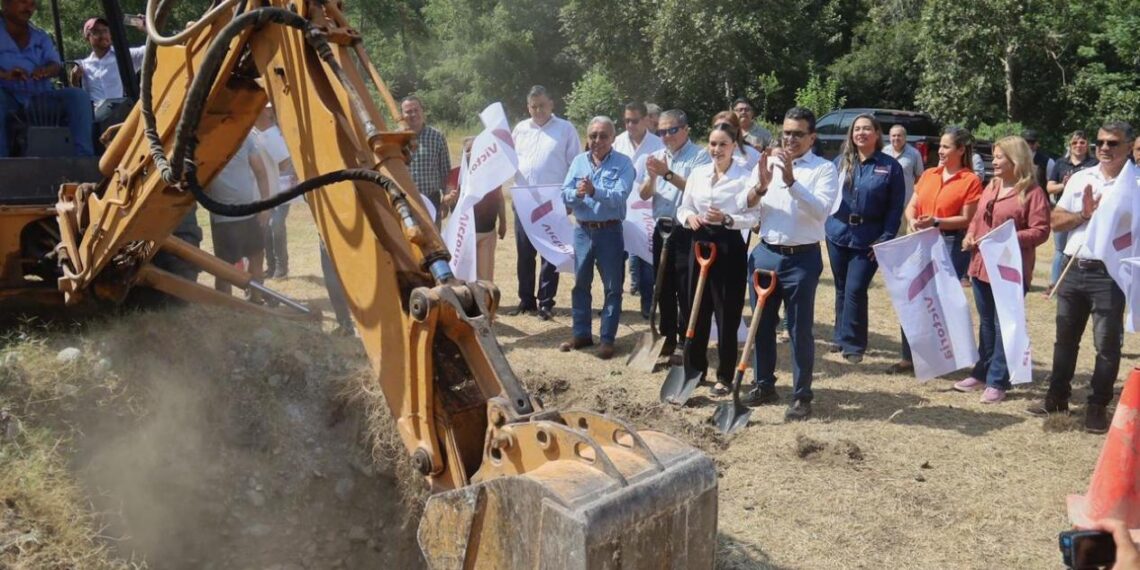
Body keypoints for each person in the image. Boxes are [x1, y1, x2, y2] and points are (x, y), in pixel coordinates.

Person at [1028, 121, 1134, 434]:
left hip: (1111, 273)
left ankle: (1097, 405)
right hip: (1075, 270)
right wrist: (1084, 216)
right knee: (1065, 341)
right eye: (1100, 142)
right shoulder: (1079, 178)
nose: (1104, 148)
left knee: (1106, 345)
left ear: (1129, 146)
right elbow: (1056, 221)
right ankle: (1056, 397)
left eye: (1112, 143)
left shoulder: (1136, 184)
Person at [741, 107, 840, 421]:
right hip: (766, 253)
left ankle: (801, 396)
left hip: (802, 259)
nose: (791, 139)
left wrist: (791, 181)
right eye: (786, 132)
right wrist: (762, 186)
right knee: (761, 325)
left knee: (799, 330)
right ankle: (763, 384)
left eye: (798, 134)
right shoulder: (766, 162)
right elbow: (745, 202)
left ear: (812, 137)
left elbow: (821, 211)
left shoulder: (824, 169)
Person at [954, 136, 1050, 403]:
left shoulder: (1032, 192)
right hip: (982, 266)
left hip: (1010, 270)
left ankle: (998, 380)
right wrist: (970, 236)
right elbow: (976, 218)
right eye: (994, 157)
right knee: (986, 324)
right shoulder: (992, 185)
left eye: (998, 157)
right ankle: (982, 372)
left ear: (1015, 159)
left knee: (1003, 325)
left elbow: (1041, 231)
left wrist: (1006, 239)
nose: (993, 161)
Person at [886, 126, 983, 375]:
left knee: (940, 302)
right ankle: (910, 357)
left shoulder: (970, 180)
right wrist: (911, 220)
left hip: (950, 243)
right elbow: (912, 205)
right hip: (920, 240)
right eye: (940, 146)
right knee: (913, 296)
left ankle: (944, 356)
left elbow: (967, 219)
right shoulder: (929, 174)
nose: (940, 151)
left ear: (961, 150)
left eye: (946, 147)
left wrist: (937, 222)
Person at [673, 115, 758, 394]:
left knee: (726, 314)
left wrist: (728, 218)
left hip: (728, 247)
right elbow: (683, 207)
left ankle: (724, 376)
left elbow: (754, 216)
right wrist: (689, 218)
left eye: (723, 144)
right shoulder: (698, 174)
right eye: (712, 144)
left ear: (734, 146)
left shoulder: (744, 178)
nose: (716, 149)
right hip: (698, 244)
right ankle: (695, 369)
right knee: (695, 311)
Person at [826, 114, 905, 364]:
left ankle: (854, 344)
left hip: (870, 238)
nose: (861, 133)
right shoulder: (841, 162)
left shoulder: (890, 167)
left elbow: (895, 207)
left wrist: (886, 237)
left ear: (877, 134)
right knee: (841, 286)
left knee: (856, 289)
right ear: (851, 134)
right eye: (857, 129)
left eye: (867, 129)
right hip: (837, 233)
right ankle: (840, 337)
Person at [558, 117, 634, 360]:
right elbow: (564, 193)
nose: (597, 141)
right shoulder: (579, 162)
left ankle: (607, 339)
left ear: (613, 138)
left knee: (612, 287)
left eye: (603, 136)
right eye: (593, 136)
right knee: (580, 284)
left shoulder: (623, 163)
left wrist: (594, 191)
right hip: (582, 230)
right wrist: (577, 194)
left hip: (609, 231)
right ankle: (581, 334)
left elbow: (619, 196)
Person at [640, 109, 710, 361]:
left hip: (686, 230)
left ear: (685, 129)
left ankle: (684, 339)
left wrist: (666, 174)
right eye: (661, 131)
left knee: (685, 287)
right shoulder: (657, 156)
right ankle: (666, 337)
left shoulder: (700, 156)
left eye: (672, 130)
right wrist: (651, 177)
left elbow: (697, 191)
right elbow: (645, 195)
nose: (666, 136)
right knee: (664, 285)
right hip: (662, 228)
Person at [511, 85, 580, 320]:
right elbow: (509, 161)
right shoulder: (520, 129)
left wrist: (570, 198)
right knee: (524, 253)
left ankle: (546, 302)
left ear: (552, 104)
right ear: (528, 107)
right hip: (524, 201)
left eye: (542, 105)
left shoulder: (565, 129)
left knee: (550, 253)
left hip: (552, 202)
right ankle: (526, 301)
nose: (538, 110)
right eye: (533, 106)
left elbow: (575, 166)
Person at [0, 0, 94, 157]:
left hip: (39, 99)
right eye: (23, 2)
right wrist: (6, 74)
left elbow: (55, 64)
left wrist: (45, 71)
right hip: (7, 98)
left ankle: (84, 160)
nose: (29, 8)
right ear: (5, 4)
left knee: (78, 96)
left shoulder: (40, 36)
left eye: (32, 4)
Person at [205, 134, 272, 298]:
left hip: (247, 212)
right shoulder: (205, 139)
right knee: (224, 267)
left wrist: (265, 205)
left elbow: (260, 171)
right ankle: (225, 306)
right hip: (224, 217)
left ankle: (255, 299)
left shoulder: (244, 138)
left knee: (256, 257)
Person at [614, 101, 664, 309]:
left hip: (646, 210)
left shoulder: (658, 145)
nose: (630, 125)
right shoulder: (617, 142)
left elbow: (660, 179)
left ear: (646, 120)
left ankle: (647, 304)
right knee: (616, 258)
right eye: (626, 121)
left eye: (634, 121)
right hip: (620, 209)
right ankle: (614, 302)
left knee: (646, 258)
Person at [443, 137, 508, 281]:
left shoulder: (492, 173)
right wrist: (449, 199)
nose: (471, 153)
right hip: (462, 233)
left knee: (484, 276)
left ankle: (484, 302)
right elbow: (445, 202)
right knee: (461, 273)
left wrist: (503, 222)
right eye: (468, 150)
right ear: (463, 152)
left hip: (486, 231)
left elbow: (499, 199)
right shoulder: (455, 173)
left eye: (475, 150)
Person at [1045, 130, 1097, 295]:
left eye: (1082, 142)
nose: (1078, 146)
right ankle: (1054, 284)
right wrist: (1064, 184)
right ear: (1070, 145)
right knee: (1061, 250)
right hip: (1064, 212)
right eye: (1075, 143)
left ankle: (1077, 286)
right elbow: (1049, 188)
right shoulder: (1060, 163)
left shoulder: (1094, 163)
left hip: (1087, 214)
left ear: (1087, 145)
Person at [253, 104, 295, 279]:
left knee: (276, 225)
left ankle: (281, 266)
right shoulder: (254, 134)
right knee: (265, 227)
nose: (269, 111)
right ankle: (270, 266)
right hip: (264, 191)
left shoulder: (274, 133)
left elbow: (285, 163)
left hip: (282, 188)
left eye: (270, 108)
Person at [72, 16, 145, 104]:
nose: (102, 35)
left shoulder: (124, 56)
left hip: (119, 113)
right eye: (96, 32)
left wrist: (146, 28)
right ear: (87, 38)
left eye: (105, 31)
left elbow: (152, 49)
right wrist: (74, 80)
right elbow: (79, 97)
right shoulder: (83, 65)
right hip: (94, 115)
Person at [401, 95, 450, 221]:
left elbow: (445, 171)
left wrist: (446, 198)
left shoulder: (437, 136)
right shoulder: (395, 138)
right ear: (402, 115)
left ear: (422, 111)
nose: (413, 114)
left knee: (433, 239)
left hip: (431, 199)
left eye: (416, 110)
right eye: (408, 111)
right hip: (405, 200)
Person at [884, 124, 925, 210]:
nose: (896, 138)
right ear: (889, 137)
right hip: (885, 200)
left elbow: (919, 177)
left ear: (905, 137)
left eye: (899, 135)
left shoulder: (914, 154)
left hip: (905, 201)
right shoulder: (884, 152)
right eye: (893, 136)